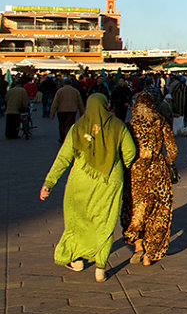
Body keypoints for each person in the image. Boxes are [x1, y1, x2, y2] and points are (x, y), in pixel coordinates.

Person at [39, 94, 137, 283]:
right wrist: (119, 162)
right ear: (105, 106)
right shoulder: (118, 126)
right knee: (105, 221)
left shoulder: (78, 128)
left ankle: (76, 260)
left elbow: (63, 158)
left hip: (81, 180)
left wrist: (48, 183)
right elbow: (130, 153)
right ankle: (100, 268)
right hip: (109, 179)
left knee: (78, 219)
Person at [121, 92, 178, 266]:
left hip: (136, 174)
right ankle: (149, 254)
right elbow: (173, 150)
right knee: (158, 214)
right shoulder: (159, 122)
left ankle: (138, 245)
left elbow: (125, 151)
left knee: (135, 210)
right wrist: (164, 162)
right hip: (158, 174)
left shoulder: (130, 125)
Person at [50, 78, 85, 145]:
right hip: (72, 110)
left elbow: (55, 102)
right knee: (70, 125)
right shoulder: (75, 91)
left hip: (61, 110)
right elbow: (80, 102)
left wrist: (52, 113)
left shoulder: (60, 91)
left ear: (64, 83)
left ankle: (62, 138)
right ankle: (68, 137)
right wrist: (81, 112)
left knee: (62, 125)